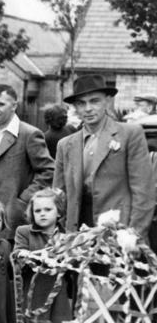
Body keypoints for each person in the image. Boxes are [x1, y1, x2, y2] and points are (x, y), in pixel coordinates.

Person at [53, 74, 155, 238]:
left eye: (94, 101)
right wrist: (63, 233)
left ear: (107, 101)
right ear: (75, 108)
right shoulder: (65, 145)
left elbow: (144, 191)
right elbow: (59, 195)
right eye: (81, 103)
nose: (88, 108)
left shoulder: (129, 134)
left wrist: (134, 234)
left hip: (119, 231)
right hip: (78, 234)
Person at [0, 84, 53, 241]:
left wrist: (22, 200)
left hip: (11, 213)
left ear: (14, 105)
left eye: (0, 104)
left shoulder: (29, 134)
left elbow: (48, 170)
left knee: (8, 262)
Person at [13, 188, 72, 323]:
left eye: (48, 210)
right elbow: (17, 255)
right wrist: (29, 256)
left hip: (57, 290)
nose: (42, 214)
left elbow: (73, 263)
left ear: (58, 212)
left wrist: (66, 259)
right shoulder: (24, 232)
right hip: (33, 289)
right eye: (37, 211)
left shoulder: (66, 236)